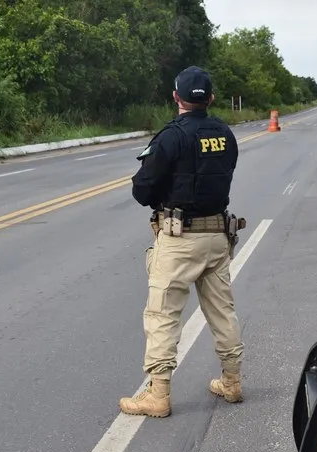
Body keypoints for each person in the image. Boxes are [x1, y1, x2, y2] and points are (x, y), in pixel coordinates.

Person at [119, 66, 245, 418]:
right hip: (218, 236)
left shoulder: (171, 137)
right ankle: (232, 382)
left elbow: (142, 189)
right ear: (212, 99)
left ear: (176, 97)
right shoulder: (225, 134)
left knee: (162, 315)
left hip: (179, 238)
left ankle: (157, 395)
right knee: (223, 311)